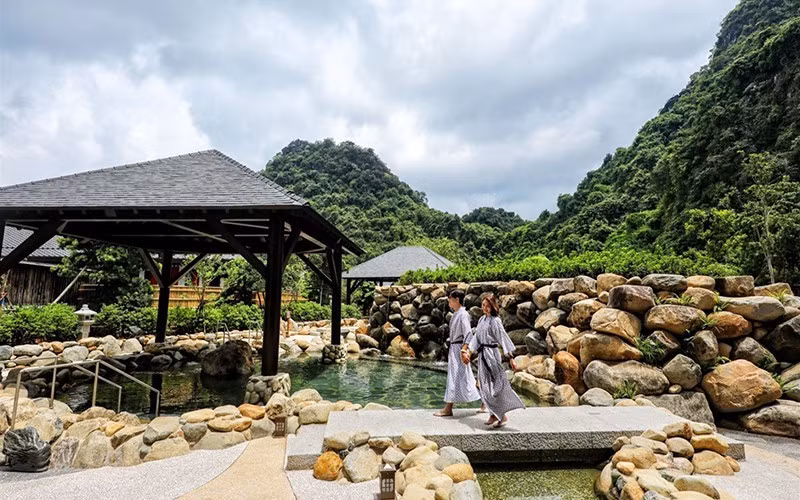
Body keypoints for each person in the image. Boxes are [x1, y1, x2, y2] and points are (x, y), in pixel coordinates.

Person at [462, 293, 525, 427]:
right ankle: (494, 414)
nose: (485, 308)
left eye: (488, 306)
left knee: (497, 386)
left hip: (492, 355)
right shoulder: (481, 320)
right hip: (482, 355)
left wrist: (511, 358)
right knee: (483, 386)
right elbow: (476, 339)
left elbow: (503, 338)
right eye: (483, 305)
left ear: (493, 306)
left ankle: (500, 415)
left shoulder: (495, 321)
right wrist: (469, 351)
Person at [434, 289, 481, 417]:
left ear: (457, 300)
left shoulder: (463, 314)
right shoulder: (457, 314)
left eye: (450, 298)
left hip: (458, 348)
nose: (448, 301)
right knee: (463, 377)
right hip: (455, 348)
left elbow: (468, 334)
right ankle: (484, 400)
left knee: (455, 377)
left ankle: (448, 408)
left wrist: (464, 350)